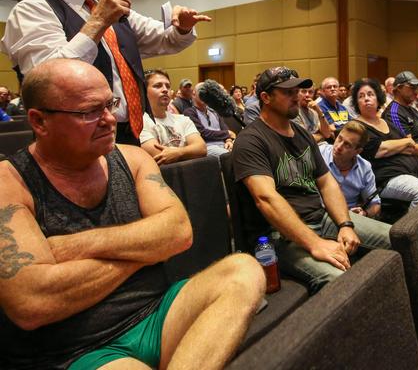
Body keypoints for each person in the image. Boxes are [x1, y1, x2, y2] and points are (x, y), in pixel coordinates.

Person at [0, 58, 265, 369]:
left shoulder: (133, 158)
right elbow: (32, 302)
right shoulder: (10, 182)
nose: (109, 119)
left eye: (110, 104)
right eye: (89, 112)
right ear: (39, 121)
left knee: (243, 269)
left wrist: (74, 247)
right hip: (79, 349)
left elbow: (179, 232)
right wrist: (147, 249)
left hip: (159, 313)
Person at [0, 0, 211, 145]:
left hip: (134, 133)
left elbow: (167, 40)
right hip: (73, 141)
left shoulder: (116, 11)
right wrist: (98, 21)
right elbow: (47, 79)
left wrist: (183, 26)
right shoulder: (33, 9)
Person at [232, 67, 391, 293]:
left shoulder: (301, 133)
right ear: (266, 98)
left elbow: (326, 182)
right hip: (280, 236)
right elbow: (266, 199)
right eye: (288, 92)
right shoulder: (251, 141)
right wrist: (315, 244)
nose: (297, 95)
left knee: (398, 238)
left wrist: (345, 224)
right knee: (345, 282)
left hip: (320, 216)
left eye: (298, 89)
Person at [351, 78, 418, 209]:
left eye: (370, 94)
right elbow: (380, 150)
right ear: (356, 102)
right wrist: (404, 142)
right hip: (386, 178)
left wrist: (397, 146)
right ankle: (408, 229)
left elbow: (410, 147)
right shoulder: (357, 127)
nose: (366, 98)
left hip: (412, 169)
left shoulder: (386, 123)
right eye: (361, 96)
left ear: (378, 98)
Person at [140, 69, 207, 165]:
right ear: (144, 92)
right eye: (157, 86)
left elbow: (201, 148)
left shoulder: (183, 119)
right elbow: (159, 156)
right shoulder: (140, 122)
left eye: (167, 86)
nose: (165, 90)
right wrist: (189, 152)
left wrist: (178, 153)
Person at [319, 121, 382, 219]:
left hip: (350, 217)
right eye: (339, 138)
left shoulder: (364, 168)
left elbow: (375, 204)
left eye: (347, 145)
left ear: (358, 151)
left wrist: (365, 213)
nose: (339, 147)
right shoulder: (320, 153)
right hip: (320, 212)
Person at [184, 82, 235, 157]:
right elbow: (203, 133)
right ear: (194, 94)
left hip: (223, 144)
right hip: (208, 147)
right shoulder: (189, 112)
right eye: (202, 92)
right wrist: (227, 134)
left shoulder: (213, 111)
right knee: (231, 156)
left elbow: (224, 127)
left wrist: (228, 140)